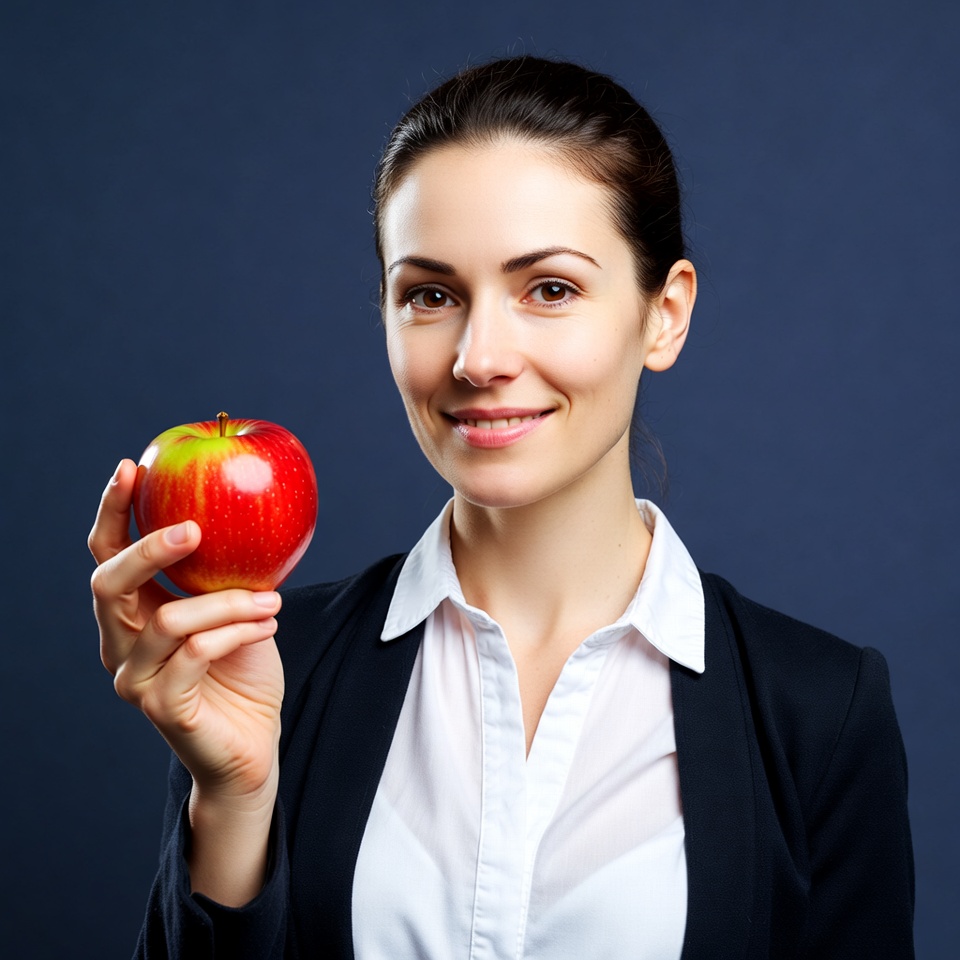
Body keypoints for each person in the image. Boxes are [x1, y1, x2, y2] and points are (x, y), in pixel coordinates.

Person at [89, 56, 915, 959]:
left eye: (549, 289)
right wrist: (235, 797)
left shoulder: (819, 711)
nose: (479, 357)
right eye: (431, 295)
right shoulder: (271, 669)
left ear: (664, 313)